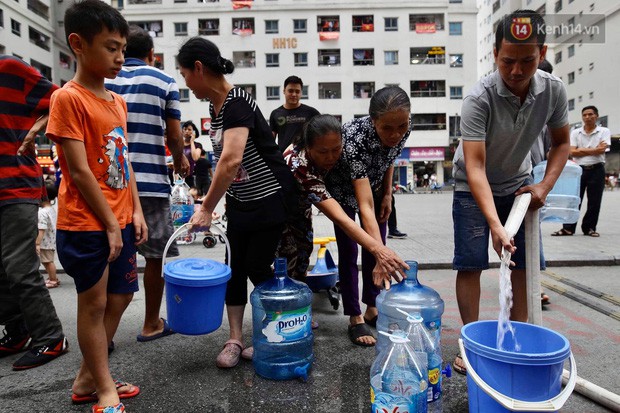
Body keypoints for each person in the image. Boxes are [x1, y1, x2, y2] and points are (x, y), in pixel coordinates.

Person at [450, 10, 570, 375]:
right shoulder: (479, 98)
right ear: (494, 53)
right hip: (471, 187)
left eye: (527, 61)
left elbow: (562, 144)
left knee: (521, 263)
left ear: (542, 51)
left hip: (519, 186)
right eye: (507, 61)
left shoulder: (553, 90)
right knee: (471, 263)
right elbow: (474, 167)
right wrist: (495, 226)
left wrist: (543, 186)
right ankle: (469, 344)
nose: (516, 71)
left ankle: (520, 339)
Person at [46, 1, 147, 411]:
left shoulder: (116, 101)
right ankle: (103, 388)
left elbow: (124, 162)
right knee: (94, 305)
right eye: (111, 47)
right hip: (87, 223)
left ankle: (89, 376)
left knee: (122, 296)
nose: (120, 56)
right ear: (78, 44)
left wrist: (135, 210)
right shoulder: (67, 99)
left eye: (123, 47)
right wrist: (109, 222)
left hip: (119, 219)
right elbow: (80, 170)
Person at [178, 37, 297, 368]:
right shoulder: (214, 108)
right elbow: (226, 167)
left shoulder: (237, 103)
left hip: (270, 198)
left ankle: (281, 328)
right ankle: (235, 339)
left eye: (184, 73)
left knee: (258, 267)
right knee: (234, 270)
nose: (185, 81)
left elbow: (230, 161)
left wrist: (204, 206)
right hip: (241, 202)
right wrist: (221, 201)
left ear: (199, 69)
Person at [105, 24, 189, 343]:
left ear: (123, 51)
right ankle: (151, 322)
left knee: (109, 253)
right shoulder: (164, 81)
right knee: (156, 256)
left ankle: (104, 333)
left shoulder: (104, 79)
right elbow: (174, 134)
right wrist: (180, 158)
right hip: (151, 181)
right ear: (152, 55)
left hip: (112, 184)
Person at [277, 114, 407, 297]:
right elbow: (340, 218)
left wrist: (387, 194)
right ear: (309, 147)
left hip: (303, 208)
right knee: (287, 260)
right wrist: (379, 250)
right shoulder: (299, 165)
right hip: (280, 212)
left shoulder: (343, 145)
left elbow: (385, 163)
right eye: (323, 152)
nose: (331, 157)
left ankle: (298, 308)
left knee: (303, 256)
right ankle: (284, 313)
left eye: (336, 149)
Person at [325, 86, 412, 347]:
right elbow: (363, 204)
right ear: (373, 121)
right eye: (387, 128)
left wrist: (387, 194)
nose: (396, 134)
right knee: (352, 250)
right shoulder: (353, 139)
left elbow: (389, 158)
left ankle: (373, 306)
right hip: (343, 192)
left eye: (401, 126)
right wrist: (379, 251)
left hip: (373, 187)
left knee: (378, 248)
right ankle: (354, 315)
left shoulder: (404, 126)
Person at [0, 55, 68, 371]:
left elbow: (62, 98)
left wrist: (36, 129)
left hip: (15, 187)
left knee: (19, 267)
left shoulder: (9, 70)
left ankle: (51, 337)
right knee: (4, 271)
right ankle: (18, 333)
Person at [552, 106, 611, 238]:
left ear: (597, 116)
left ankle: (589, 228)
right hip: (579, 170)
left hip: (597, 169)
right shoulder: (575, 132)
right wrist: (594, 150)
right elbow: (572, 152)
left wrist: (581, 150)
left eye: (590, 114)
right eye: (584, 115)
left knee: (594, 201)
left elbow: (602, 150)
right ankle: (568, 228)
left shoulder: (604, 131)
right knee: (573, 200)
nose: (587, 117)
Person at [530, 58, 554, 306]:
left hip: (532, 180)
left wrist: (546, 184)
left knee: (531, 235)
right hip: (500, 180)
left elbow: (554, 149)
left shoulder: (549, 113)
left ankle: (533, 286)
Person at [269, 76, 320, 153]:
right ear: (284, 91)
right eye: (290, 91)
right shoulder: (275, 114)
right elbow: (270, 141)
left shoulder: (312, 113)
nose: (294, 94)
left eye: (297, 91)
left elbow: (321, 134)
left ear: (301, 93)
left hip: (306, 159)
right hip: (283, 159)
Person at [37, 183, 60, 289]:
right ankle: (53, 277)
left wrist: (37, 243)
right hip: (51, 240)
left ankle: (53, 279)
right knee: (49, 261)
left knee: (47, 262)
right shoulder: (51, 209)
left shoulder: (42, 213)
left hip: (45, 242)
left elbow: (41, 228)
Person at [182, 120, 201, 187]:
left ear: (194, 132)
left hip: (190, 176)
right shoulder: (179, 144)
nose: (187, 131)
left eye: (189, 129)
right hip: (178, 175)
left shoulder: (197, 145)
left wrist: (192, 141)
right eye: (185, 129)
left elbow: (195, 158)